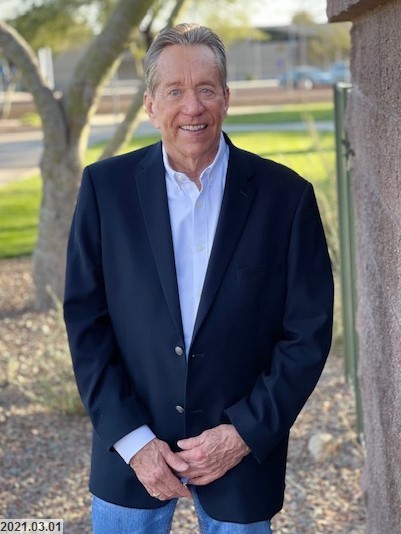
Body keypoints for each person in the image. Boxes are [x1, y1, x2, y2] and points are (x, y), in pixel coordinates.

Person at [64, 23, 334, 533]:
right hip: (130, 455)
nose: (192, 107)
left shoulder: (286, 197)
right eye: (175, 91)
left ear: (226, 98)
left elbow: (307, 334)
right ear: (150, 105)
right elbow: (85, 321)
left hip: (240, 456)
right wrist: (132, 440)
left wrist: (243, 434)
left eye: (206, 89)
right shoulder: (105, 189)